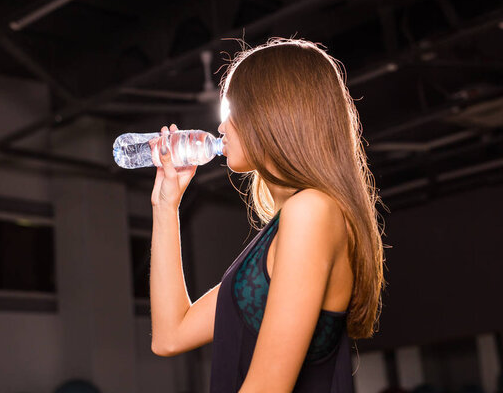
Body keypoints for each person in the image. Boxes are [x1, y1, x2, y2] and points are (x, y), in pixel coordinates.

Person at [149, 38, 386, 392]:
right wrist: (165, 205)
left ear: (268, 112)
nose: (221, 127)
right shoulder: (290, 223)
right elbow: (170, 335)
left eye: (229, 110)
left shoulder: (312, 211)